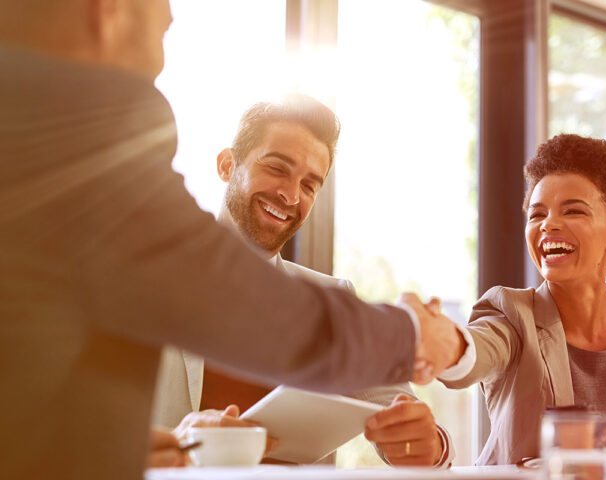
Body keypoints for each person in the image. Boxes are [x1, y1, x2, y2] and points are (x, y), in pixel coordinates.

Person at [0, 1, 466, 479]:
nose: (167, 30)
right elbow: (222, 294)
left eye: (310, 183)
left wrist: (123, 449)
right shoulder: (85, 132)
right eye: (162, 21)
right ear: (110, 10)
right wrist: (412, 333)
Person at [151, 95, 455, 468]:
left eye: (310, 185)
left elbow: (400, 412)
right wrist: (184, 440)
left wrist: (429, 445)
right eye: (277, 168)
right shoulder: (149, 274)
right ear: (227, 165)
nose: (291, 195)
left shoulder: (334, 298)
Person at [441, 134, 606, 464]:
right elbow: (471, 354)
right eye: (537, 215)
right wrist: (439, 343)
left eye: (573, 211)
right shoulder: (509, 313)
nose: (549, 223)